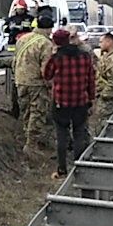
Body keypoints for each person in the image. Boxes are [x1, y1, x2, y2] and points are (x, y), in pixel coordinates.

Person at [45, 28, 96, 180]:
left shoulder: (56, 58)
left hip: (61, 103)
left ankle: (61, 170)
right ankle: (79, 168)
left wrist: (52, 54)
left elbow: (47, 75)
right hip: (81, 102)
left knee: (62, 136)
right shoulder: (85, 56)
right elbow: (91, 79)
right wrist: (91, 98)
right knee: (79, 134)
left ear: (55, 42)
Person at [14, 15, 56, 155]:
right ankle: (31, 145)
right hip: (36, 83)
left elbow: (15, 59)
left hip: (20, 81)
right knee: (37, 113)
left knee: (25, 111)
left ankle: (27, 138)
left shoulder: (23, 39)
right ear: (49, 29)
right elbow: (46, 68)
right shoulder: (45, 44)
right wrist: (50, 85)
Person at [1, 0, 35, 119]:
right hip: (13, 49)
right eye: (17, 8)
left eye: (21, 8)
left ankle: (24, 110)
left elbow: (33, 30)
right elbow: (4, 29)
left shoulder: (30, 19)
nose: (19, 10)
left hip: (25, 51)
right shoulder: (10, 19)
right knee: (14, 81)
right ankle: (16, 109)